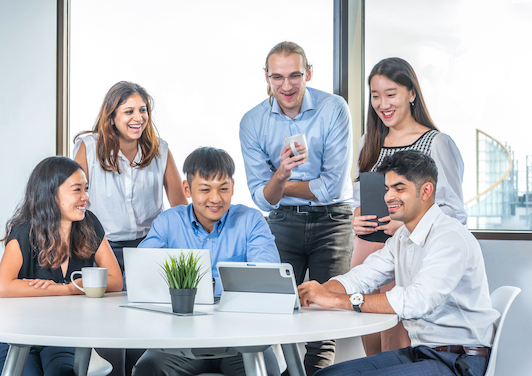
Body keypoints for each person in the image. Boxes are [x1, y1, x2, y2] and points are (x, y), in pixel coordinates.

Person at [298, 150, 499, 376]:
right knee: (326, 375)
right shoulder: (403, 237)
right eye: (387, 188)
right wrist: (313, 292)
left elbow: (417, 301)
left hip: (458, 361)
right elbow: (361, 277)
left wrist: (335, 299)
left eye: (399, 188)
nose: (388, 197)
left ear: (426, 191)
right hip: (422, 352)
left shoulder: (449, 237)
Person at [239, 41, 354, 375]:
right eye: (278, 77)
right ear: (266, 77)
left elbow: (330, 187)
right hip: (282, 222)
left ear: (309, 73)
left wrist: (278, 185)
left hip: (334, 222)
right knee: (273, 309)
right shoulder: (253, 122)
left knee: (324, 320)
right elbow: (261, 199)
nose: (286, 86)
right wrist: (281, 174)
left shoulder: (333, 109)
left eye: (294, 76)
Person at [351, 57, 466, 355]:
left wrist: (405, 223)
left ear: (411, 94)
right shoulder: (369, 141)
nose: (382, 104)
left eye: (391, 94)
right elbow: (358, 197)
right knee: (370, 347)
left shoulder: (436, 143)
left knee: (396, 344)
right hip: (366, 252)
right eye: (375, 96)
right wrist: (356, 217)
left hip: (407, 252)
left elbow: (455, 213)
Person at [132, 147, 281, 376]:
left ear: (232, 186)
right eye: (205, 189)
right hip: (181, 339)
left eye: (223, 189)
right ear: (187, 189)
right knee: (147, 369)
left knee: (265, 372)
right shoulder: (169, 222)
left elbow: (268, 279)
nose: (215, 198)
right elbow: (140, 276)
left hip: (242, 338)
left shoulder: (251, 221)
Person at [73, 81, 187, 375]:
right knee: (108, 332)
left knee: (143, 329)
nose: (138, 117)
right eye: (129, 111)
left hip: (147, 248)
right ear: (111, 116)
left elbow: (179, 205)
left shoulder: (160, 150)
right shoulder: (88, 146)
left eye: (143, 110)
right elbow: (74, 198)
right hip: (102, 249)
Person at [0, 156, 123, 376]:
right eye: (77, 190)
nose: (85, 198)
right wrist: (69, 289)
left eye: (86, 189)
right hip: (15, 337)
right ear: (51, 194)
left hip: (63, 336)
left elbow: (115, 281)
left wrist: (48, 288)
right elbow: (3, 287)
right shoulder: (24, 232)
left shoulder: (89, 225)